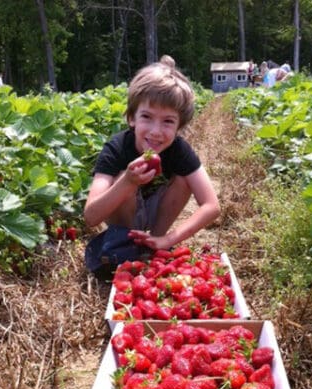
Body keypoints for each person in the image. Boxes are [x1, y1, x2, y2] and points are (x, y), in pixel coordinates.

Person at [84, 57, 220, 255]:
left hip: (158, 218)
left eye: (168, 121)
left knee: (184, 178)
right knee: (122, 174)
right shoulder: (117, 148)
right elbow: (91, 217)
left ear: (179, 127)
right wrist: (128, 182)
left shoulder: (179, 150)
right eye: (147, 117)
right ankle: (128, 243)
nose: (156, 131)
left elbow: (212, 206)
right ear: (131, 118)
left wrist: (168, 239)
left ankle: (154, 244)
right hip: (124, 218)